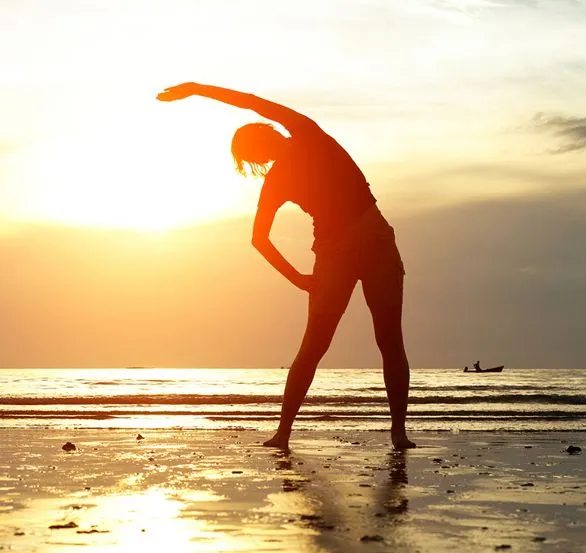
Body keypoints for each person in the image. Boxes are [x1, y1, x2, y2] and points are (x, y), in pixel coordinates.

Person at [157, 82, 415, 450]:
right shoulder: (285, 167)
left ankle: (395, 432)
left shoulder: (306, 135)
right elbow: (258, 237)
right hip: (339, 250)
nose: (262, 154)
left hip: (372, 243)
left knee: (383, 341)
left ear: (266, 138)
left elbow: (252, 103)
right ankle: (285, 432)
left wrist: (198, 89)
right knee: (320, 345)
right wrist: (300, 279)